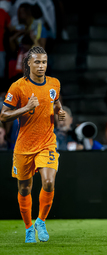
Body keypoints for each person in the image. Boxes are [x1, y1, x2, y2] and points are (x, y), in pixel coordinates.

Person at [0, 46, 65, 243]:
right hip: (24, 146)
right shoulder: (18, 87)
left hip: (47, 143)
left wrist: (59, 113)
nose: (41, 66)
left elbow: (55, 102)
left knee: (48, 182)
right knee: (24, 189)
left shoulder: (54, 83)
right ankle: (29, 227)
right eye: (37, 62)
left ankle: (41, 221)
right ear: (28, 63)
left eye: (44, 62)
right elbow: (3, 115)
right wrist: (26, 108)